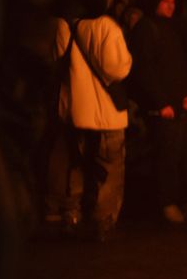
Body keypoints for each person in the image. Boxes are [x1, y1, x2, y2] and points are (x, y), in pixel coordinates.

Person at [42, 13, 131, 240]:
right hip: (105, 113)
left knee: (75, 163)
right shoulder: (106, 27)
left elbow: (56, 61)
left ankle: (70, 213)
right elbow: (117, 68)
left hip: (75, 109)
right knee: (108, 168)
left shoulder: (63, 24)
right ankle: (103, 220)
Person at [129, 0, 187, 224]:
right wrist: (161, 102)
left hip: (185, 104)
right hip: (165, 107)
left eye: (173, 2)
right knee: (168, 156)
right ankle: (167, 202)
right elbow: (144, 70)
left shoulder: (176, 27)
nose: (170, 6)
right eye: (166, 2)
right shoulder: (146, 28)